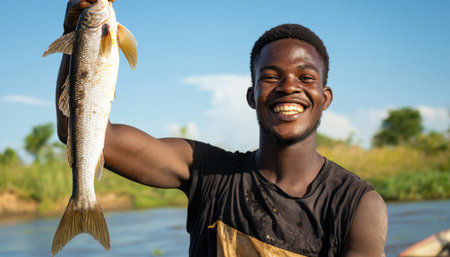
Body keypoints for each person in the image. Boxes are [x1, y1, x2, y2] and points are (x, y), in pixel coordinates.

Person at [56, 1, 388, 256]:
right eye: (270, 77)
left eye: (306, 77)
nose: (289, 87)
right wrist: (76, 37)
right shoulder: (207, 172)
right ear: (251, 96)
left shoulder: (357, 204)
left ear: (325, 97)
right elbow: (83, 132)